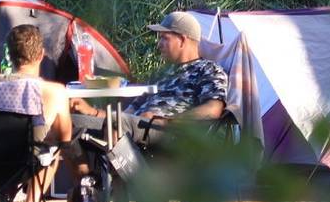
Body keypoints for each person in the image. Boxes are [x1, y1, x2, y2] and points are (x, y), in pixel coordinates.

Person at [70, 10, 227, 146]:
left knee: (117, 125)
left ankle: (118, 172)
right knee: (71, 123)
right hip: (137, 125)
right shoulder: (160, 74)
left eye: (164, 38)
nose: (159, 44)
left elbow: (213, 110)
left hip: (170, 133)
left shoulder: (208, 70)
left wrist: (166, 121)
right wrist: (93, 112)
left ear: (182, 40)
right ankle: (87, 172)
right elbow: (128, 114)